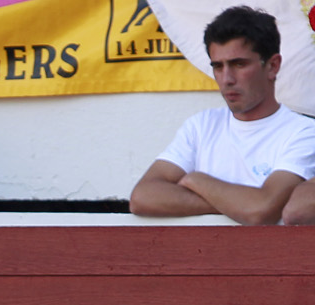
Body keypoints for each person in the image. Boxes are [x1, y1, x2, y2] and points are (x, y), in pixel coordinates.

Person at [129, 6, 315, 225]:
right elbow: (142, 197)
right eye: (218, 66)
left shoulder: (303, 132)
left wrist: (197, 180)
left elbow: (260, 210)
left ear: (273, 66)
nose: (227, 78)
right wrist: (235, 204)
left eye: (239, 64)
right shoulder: (201, 125)